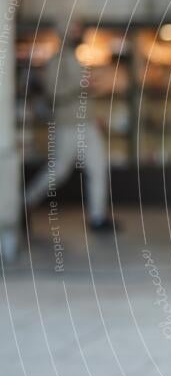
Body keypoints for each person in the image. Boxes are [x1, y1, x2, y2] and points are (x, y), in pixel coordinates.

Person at [25, 20, 117, 233]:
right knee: (59, 170)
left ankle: (98, 217)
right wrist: (81, 86)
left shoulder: (76, 58)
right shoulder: (56, 61)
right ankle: (25, 203)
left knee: (98, 167)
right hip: (67, 125)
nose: (79, 34)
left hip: (87, 123)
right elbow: (53, 93)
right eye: (74, 31)